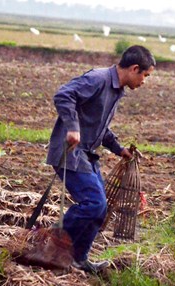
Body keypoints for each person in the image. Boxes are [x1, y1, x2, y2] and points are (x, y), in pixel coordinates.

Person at [46, 45, 156, 274]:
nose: (145, 81)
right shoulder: (97, 79)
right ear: (135, 68)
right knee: (93, 203)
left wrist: (119, 149)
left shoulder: (116, 90)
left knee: (101, 208)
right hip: (70, 151)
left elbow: (101, 126)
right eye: (145, 75)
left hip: (86, 153)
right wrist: (72, 127)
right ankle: (51, 245)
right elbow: (63, 94)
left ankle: (78, 258)